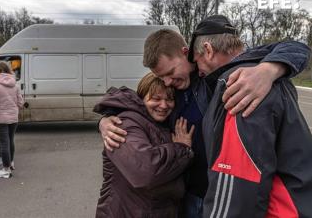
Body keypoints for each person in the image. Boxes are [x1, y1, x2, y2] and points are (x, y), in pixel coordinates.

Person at [98, 16, 310, 217]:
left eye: (170, 73)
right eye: (161, 77)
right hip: (188, 192)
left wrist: (268, 69)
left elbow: (296, 47)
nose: (167, 82)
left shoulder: (220, 79)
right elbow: (141, 104)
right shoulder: (173, 89)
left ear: (186, 52)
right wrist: (108, 118)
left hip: (219, 195)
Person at [190, 15, 312, 217]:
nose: (198, 71)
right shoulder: (266, 72)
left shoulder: (239, 85)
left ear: (208, 50)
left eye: (197, 61)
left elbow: (235, 188)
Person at [94, 72, 195, 217]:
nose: (164, 105)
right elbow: (145, 172)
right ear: (141, 98)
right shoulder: (123, 124)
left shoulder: (164, 123)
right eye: (156, 98)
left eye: (170, 99)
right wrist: (182, 148)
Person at [0, 61, 24, 179]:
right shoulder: (14, 85)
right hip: (13, 118)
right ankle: (10, 163)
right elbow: (20, 103)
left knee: (4, 144)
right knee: (10, 141)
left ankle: (6, 170)